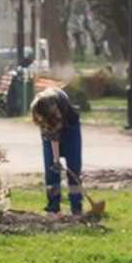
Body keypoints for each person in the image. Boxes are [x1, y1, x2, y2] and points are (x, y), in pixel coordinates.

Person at [30, 86, 84, 215]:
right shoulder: (38, 107)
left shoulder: (61, 105)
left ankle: (76, 207)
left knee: (73, 169)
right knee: (51, 170)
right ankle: (53, 206)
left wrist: (57, 159)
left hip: (71, 130)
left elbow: (56, 132)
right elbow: (52, 135)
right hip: (50, 135)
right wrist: (55, 160)